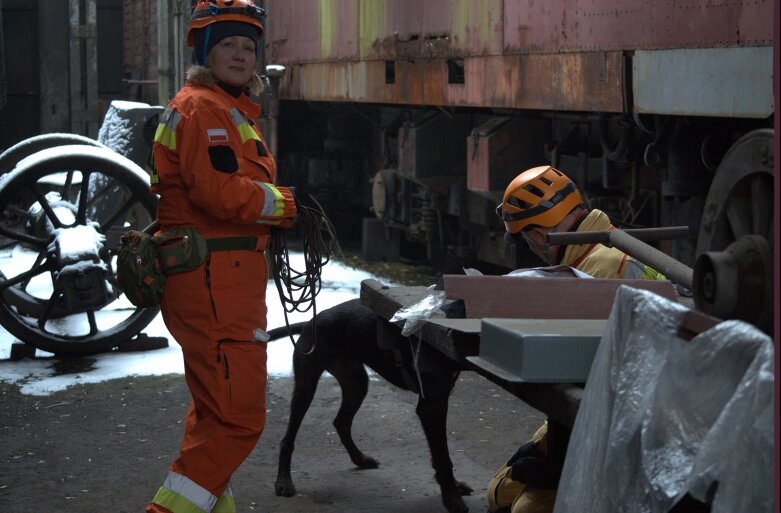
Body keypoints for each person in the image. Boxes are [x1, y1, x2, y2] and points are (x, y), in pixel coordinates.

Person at [144, 2, 297, 513]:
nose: (239, 54)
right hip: (215, 280)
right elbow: (217, 193)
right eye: (227, 45)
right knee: (238, 417)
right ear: (206, 53)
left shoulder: (219, 107)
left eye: (248, 47)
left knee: (216, 412)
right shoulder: (204, 109)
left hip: (220, 278)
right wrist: (285, 204)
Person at [488, 165, 666, 513]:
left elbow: (586, 378)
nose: (531, 248)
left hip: (625, 418)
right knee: (505, 490)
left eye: (527, 238)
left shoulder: (595, 273)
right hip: (630, 399)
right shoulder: (608, 245)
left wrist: (553, 454)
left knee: (513, 502)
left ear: (540, 235)